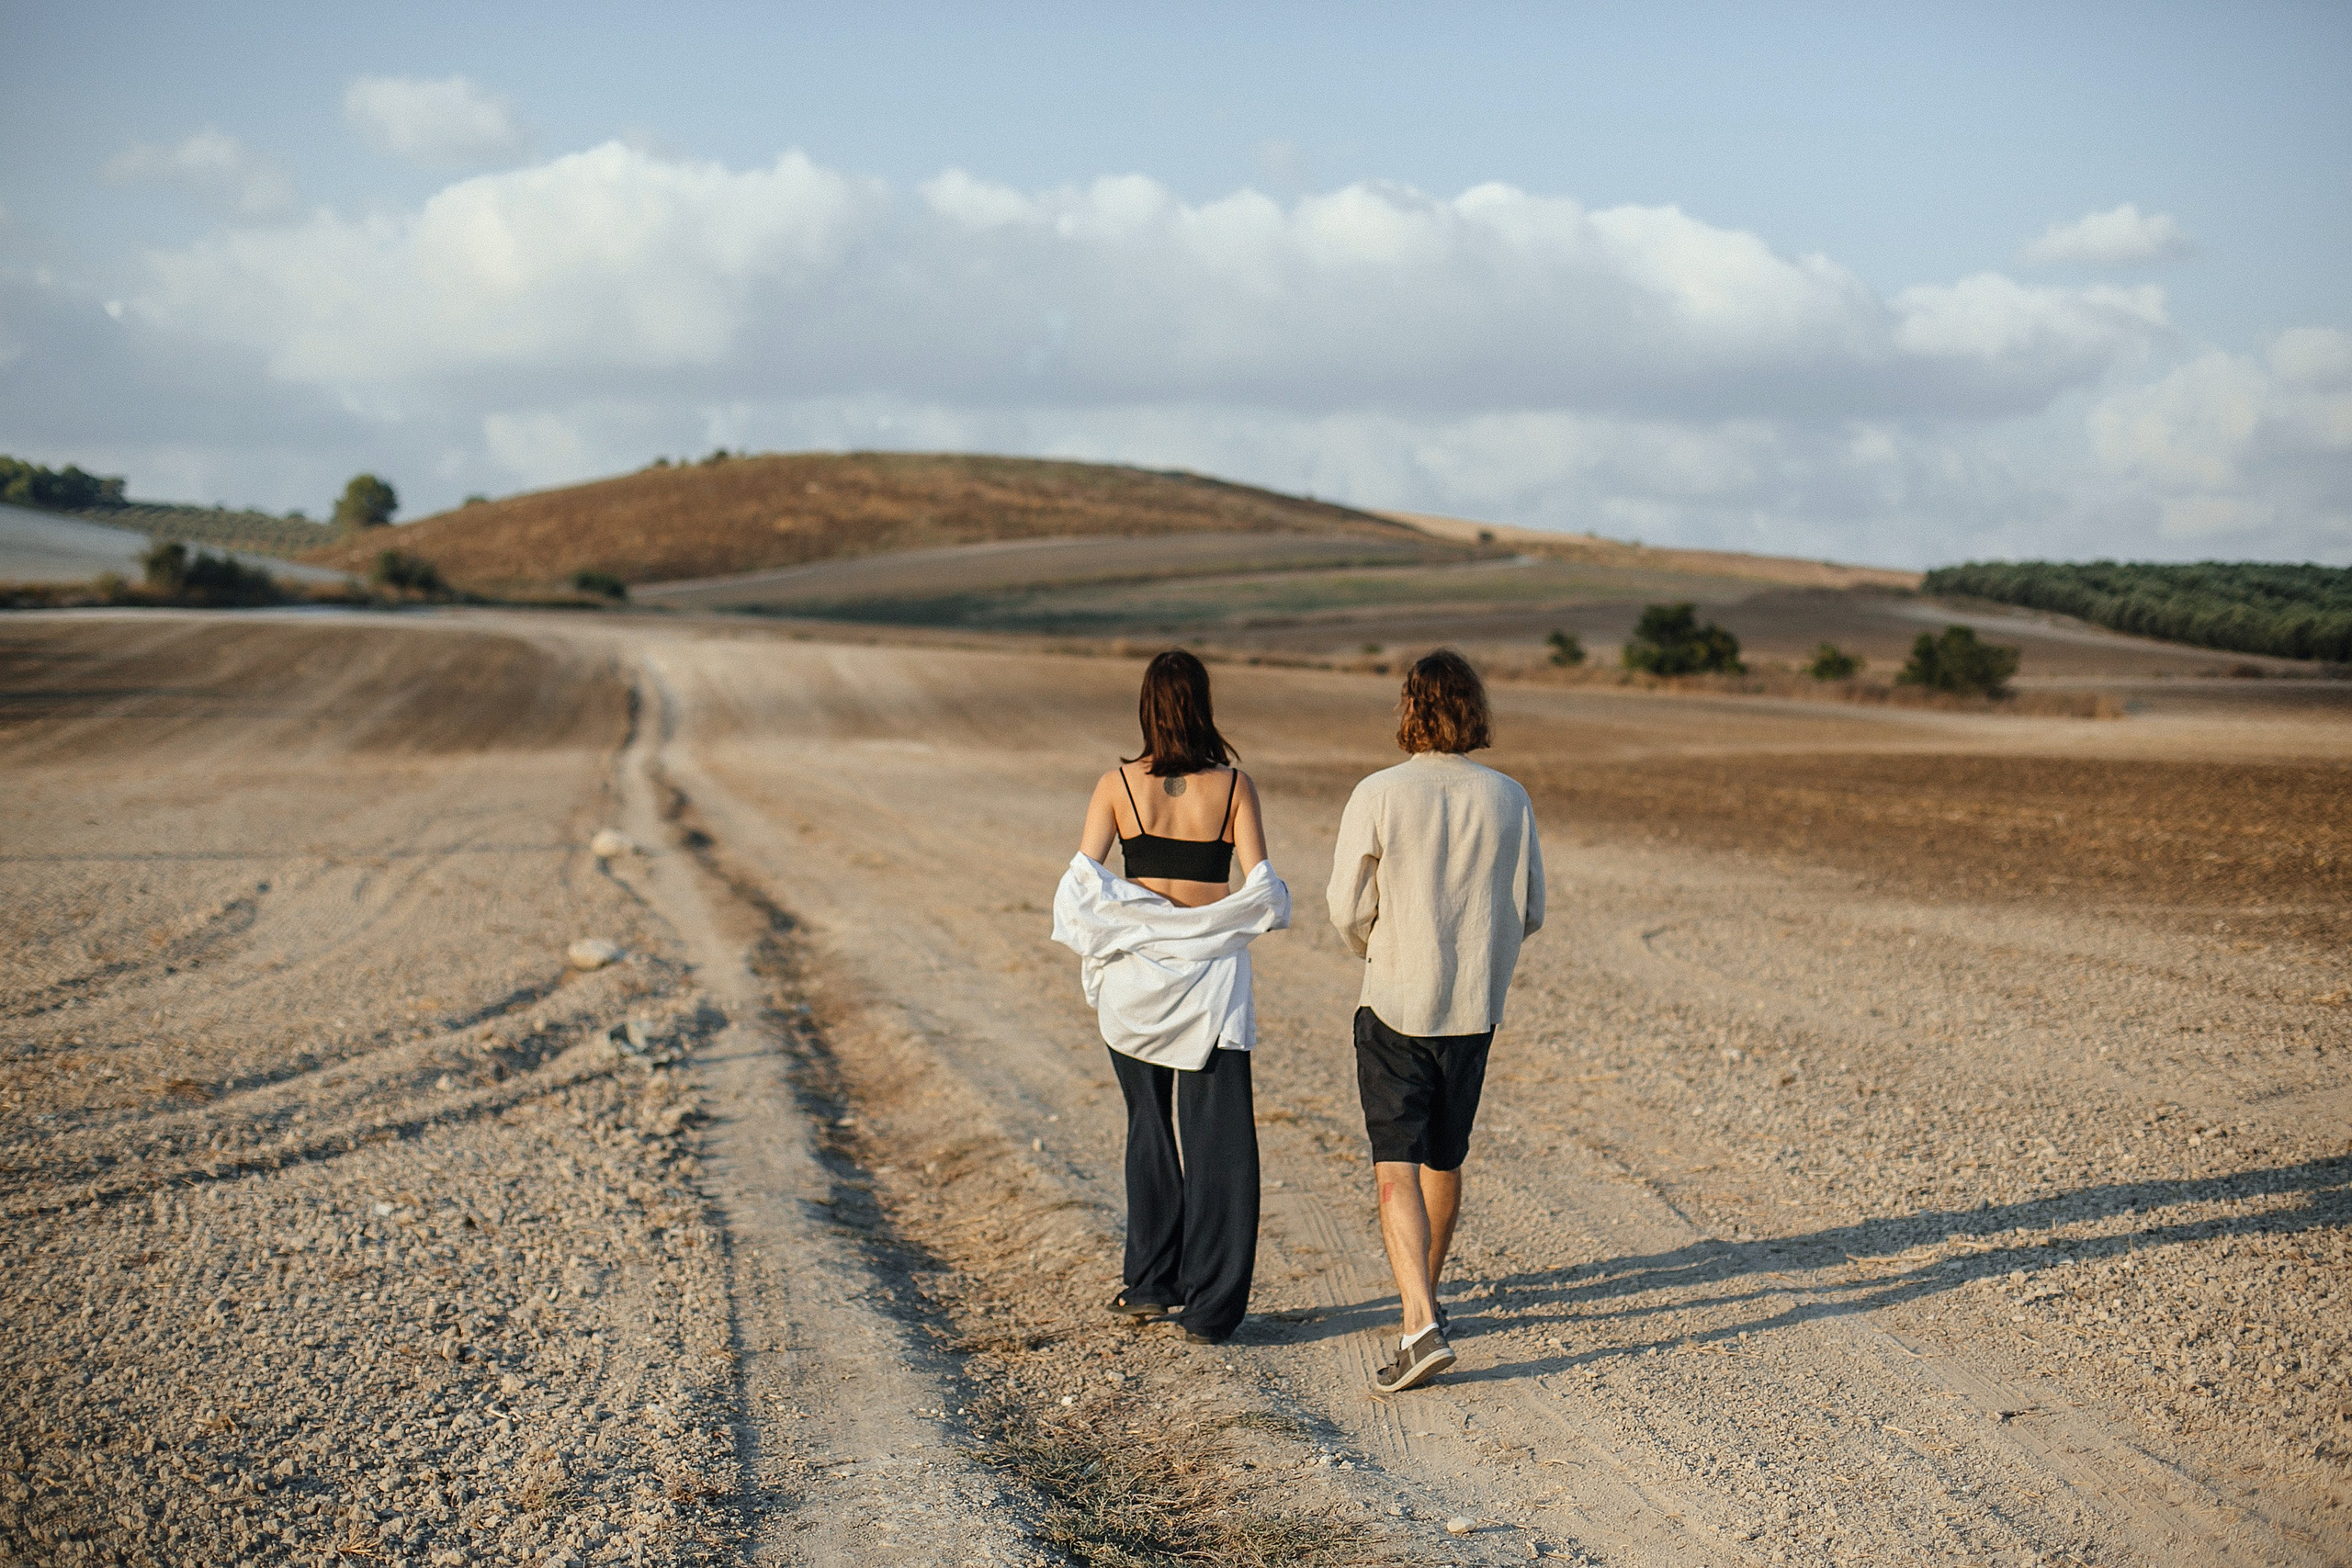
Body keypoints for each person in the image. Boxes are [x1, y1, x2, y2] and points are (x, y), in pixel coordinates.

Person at [1051, 650, 1289, 1345]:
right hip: (1213, 982)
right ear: (1203, 704)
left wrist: (1133, 922)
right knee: (1222, 1142)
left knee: (1148, 1126)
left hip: (1134, 984)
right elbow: (1262, 886)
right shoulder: (1235, 786)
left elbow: (1081, 885)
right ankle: (1211, 1307)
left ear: (1148, 706)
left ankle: (1151, 1284)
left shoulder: (1116, 786)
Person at [1326, 649, 1544, 1393]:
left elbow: (1346, 907)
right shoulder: (1510, 796)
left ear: (1410, 708)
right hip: (1473, 1005)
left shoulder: (1379, 792)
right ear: (1474, 708)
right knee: (1444, 1160)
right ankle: (1427, 1307)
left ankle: (1419, 1322)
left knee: (1396, 1164)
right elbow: (1532, 907)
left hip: (1395, 1001)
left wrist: (1378, 946)